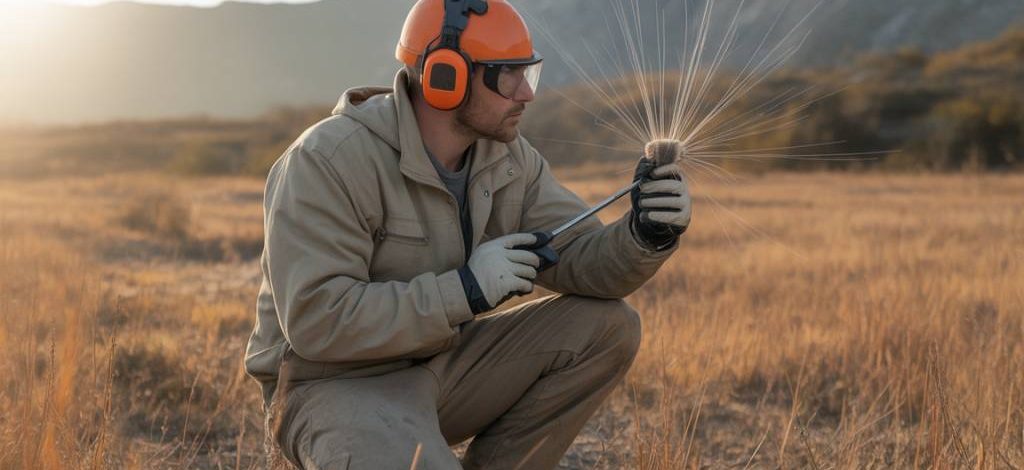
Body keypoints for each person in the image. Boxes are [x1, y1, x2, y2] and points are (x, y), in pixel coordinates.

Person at [243, 0, 691, 468]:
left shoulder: (508, 157)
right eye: (507, 75)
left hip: (438, 366)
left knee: (608, 327)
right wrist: (466, 290)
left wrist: (645, 234)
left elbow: (582, 257)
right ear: (445, 77)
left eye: (529, 73)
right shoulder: (328, 160)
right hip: (329, 384)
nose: (526, 93)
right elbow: (318, 322)